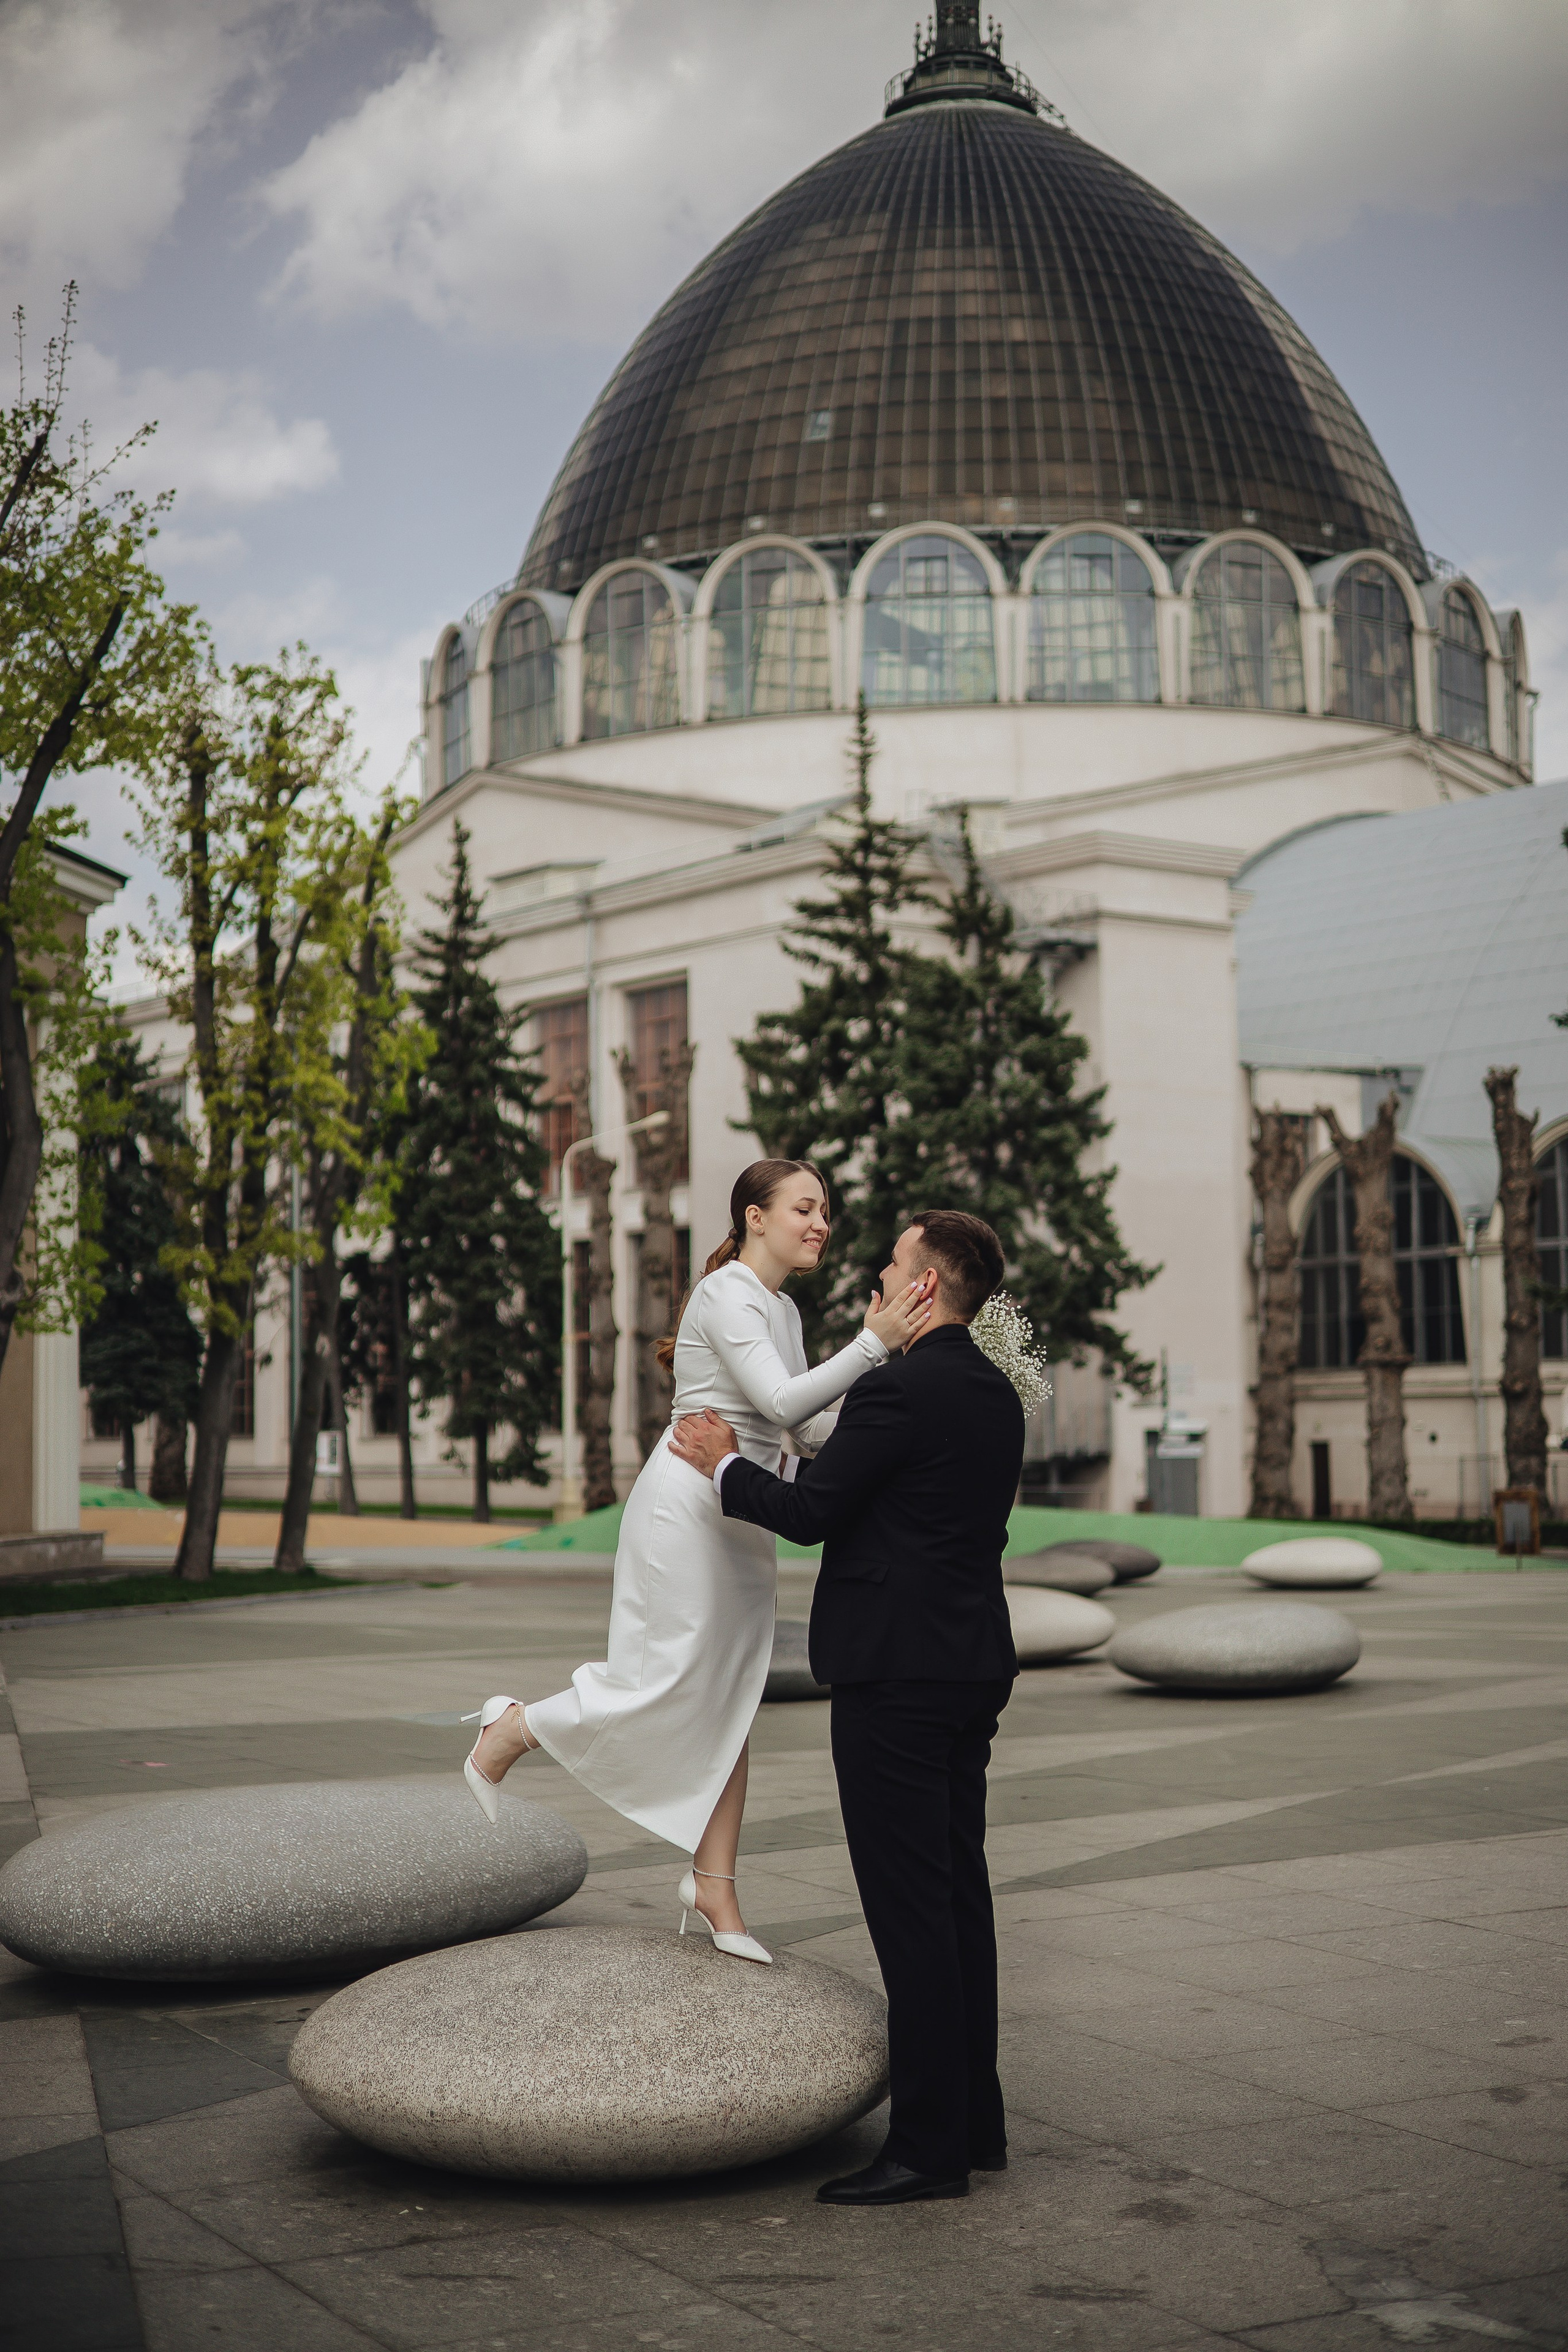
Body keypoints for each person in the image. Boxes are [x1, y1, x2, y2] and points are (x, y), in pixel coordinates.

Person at [461, 1158, 933, 1966]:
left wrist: (895, 1370)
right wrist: (872, 1341)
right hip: (685, 1511)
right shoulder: (727, 1294)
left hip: (745, 1514)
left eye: (826, 1210)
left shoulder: (779, 1308)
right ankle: (517, 1726)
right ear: (755, 1216)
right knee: (660, 1680)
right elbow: (785, 1404)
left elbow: (809, 1433)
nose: (821, 1223)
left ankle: (715, 1886)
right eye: (804, 1208)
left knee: (734, 1700)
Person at [670, 1208, 1023, 2206]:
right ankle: (975, 2123)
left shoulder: (898, 1391)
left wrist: (721, 1464)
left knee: (912, 1915)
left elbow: (813, 1515)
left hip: (895, 1681)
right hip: (968, 1669)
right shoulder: (997, 1394)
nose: (875, 1280)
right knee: (959, 1900)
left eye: (891, 1269)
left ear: (924, 1290)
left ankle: (926, 2150)